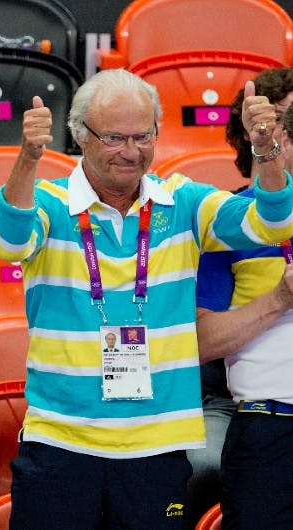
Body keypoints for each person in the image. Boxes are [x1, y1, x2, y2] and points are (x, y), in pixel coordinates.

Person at [0, 68, 293, 530]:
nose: (132, 152)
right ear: (80, 136)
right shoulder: (48, 204)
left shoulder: (185, 203)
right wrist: (28, 160)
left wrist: (266, 150)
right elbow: (9, 244)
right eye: (114, 137)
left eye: (143, 136)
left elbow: (270, 224)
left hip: (158, 446)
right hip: (61, 441)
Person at [187, 67, 293, 528]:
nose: (281, 136)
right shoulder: (227, 224)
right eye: (276, 124)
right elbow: (198, 343)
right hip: (260, 414)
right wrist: (280, 299)